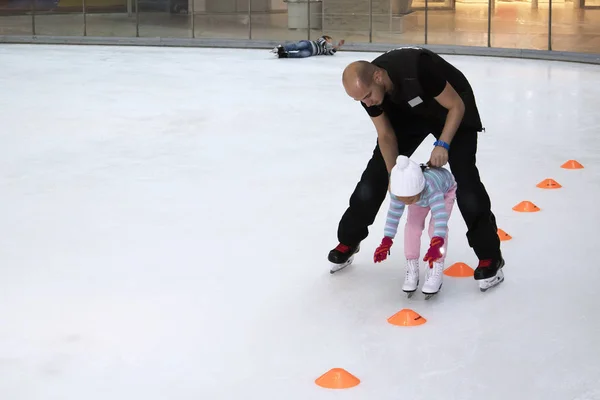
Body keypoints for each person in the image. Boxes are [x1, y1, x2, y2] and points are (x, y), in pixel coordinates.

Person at [329, 46, 504, 292]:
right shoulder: (367, 91)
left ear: (378, 76)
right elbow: (386, 135)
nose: (367, 103)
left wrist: (443, 144)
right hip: (409, 114)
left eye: (368, 96)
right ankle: (348, 240)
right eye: (361, 100)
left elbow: (456, 107)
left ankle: (490, 256)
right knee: (375, 177)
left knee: (466, 181)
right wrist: (393, 175)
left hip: (451, 109)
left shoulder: (418, 68)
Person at [373, 155, 457, 297]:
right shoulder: (399, 191)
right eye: (402, 199)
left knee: (435, 229)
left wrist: (437, 242)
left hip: (445, 192)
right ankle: (412, 269)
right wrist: (387, 239)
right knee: (412, 227)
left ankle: (435, 266)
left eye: (409, 199)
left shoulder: (431, 187)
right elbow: (393, 215)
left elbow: (440, 217)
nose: (406, 202)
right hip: (420, 199)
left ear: (419, 189)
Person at [271, 36, 344, 59]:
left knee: (301, 54)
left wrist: (338, 46)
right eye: (329, 40)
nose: (330, 42)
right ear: (326, 38)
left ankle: (285, 55)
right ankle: (281, 48)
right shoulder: (321, 40)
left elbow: (331, 53)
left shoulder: (327, 49)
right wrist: (333, 45)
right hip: (308, 44)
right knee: (297, 46)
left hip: (311, 52)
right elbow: (323, 43)